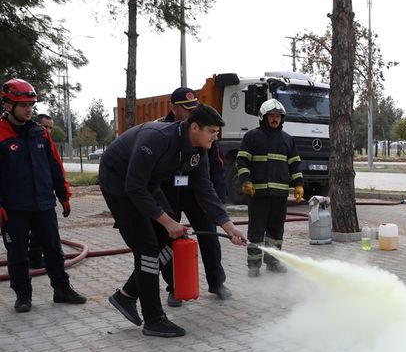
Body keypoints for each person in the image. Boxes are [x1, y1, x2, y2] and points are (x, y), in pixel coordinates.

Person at [99, 103, 246, 337]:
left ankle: (125, 296)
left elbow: (204, 189)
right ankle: (154, 319)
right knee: (147, 249)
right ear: (195, 127)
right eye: (212, 132)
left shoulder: (200, 149)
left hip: (148, 184)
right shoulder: (157, 138)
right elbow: (134, 187)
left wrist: (229, 227)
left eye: (217, 133)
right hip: (120, 184)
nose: (215, 137)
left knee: (169, 243)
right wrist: (168, 221)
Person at [0, 79, 86, 312]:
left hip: (43, 204)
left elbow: (55, 166)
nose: (29, 109)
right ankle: (23, 296)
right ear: (8, 105)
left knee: (53, 250)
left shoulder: (40, 133)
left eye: (31, 104)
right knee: (18, 255)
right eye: (22, 104)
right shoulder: (0, 135)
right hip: (14, 208)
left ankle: (62, 290)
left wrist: (64, 195)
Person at [156, 88, 230, 307]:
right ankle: (175, 288)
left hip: (197, 193)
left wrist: (219, 200)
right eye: (186, 109)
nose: (190, 114)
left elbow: (215, 165)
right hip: (169, 195)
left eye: (193, 108)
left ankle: (217, 283)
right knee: (170, 241)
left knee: (210, 237)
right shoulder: (161, 129)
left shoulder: (204, 128)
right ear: (173, 108)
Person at [237, 99, 303, 277]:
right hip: (258, 194)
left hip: (279, 195)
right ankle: (254, 266)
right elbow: (242, 161)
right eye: (271, 116)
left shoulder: (288, 140)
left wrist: (298, 185)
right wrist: (246, 181)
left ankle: (273, 262)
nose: (275, 119)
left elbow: (295, 165)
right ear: (263, 117)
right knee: (256, 231)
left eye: (278, 116)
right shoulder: (252, 137)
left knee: (276, 232)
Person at [29, 114, 71, 269]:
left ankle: (36, 258)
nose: (47, 130)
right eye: (44, 126)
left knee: (45, 233)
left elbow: (57, 170)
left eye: (50, 127)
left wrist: (64, 196)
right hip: (21, 200)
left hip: (44, 197)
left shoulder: (46, 142)